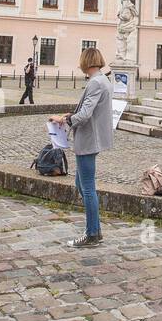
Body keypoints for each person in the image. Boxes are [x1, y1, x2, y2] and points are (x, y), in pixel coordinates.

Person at [49, 48, 113, 248]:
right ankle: (95, 229)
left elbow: (85, 115)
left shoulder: (95, 82)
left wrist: (64, 119)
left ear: (86, 61)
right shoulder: (103, 80)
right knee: (81, 184)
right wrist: (71, 115)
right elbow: (88, 110)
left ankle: (92, 233)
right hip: (92, 138)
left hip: (88, 139)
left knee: (87, 189)